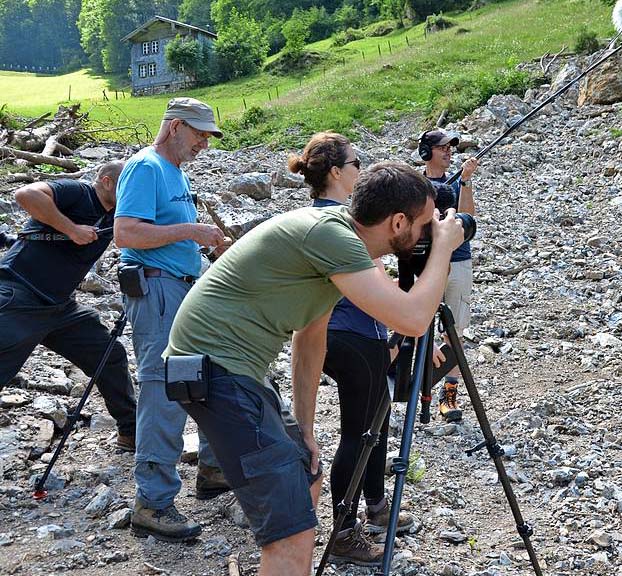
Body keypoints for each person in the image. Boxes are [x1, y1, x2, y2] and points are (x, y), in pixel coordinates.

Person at [164, 161, 465, 575]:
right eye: (425, 224)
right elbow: (412, 319)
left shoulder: (336, 239)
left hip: (229, 369)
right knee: (289, 535)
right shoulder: (332, 237)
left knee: (307, 474)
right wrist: (445, 250)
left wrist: (304, 431)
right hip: (215, 370)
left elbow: (310, 339)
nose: (430, 233)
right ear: (398, 222)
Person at [288, 133, 417, 566]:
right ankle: (344, 533)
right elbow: (374, 285)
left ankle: (375, 505)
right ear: (336, 172)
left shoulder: (323, 217)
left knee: (374, 419)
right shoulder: (339, 223)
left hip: (347, 333)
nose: (361, 170)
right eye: (356, 163)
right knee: (359, 431)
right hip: (351, 333)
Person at [113, 97, 231, 542]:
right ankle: (153, 503)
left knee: (205, 374)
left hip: (180, 287)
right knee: (163, 389)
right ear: (175, 126)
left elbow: (161, 232)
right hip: (156, 290)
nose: (204, 143)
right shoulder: (145, 167)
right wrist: (192, 231)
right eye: (199, 134)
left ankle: (213, 470)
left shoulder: (175, 172)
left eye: (208, 136)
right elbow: (125, 233)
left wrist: (203, 246)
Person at [0, 162, 137, 449]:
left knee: (109, 355)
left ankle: (131, 431)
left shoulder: (117, 215)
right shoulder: (78, 192)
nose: (134, 191)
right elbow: (25, 194)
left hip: (61, 308)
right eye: (128, 184)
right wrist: (71, 229)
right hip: (19, 294)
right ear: (107, 181)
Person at [418, 129, 479, 422]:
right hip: (427, 263)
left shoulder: (456, 181)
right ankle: (417, 388)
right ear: (426, 152)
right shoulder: (415, 185)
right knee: (419, 326)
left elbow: (468, 218)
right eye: (442, 147)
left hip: (459, 260)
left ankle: (448, 394)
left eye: (450, 147)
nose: (448, 152)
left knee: (454, 331)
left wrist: (465, 181)